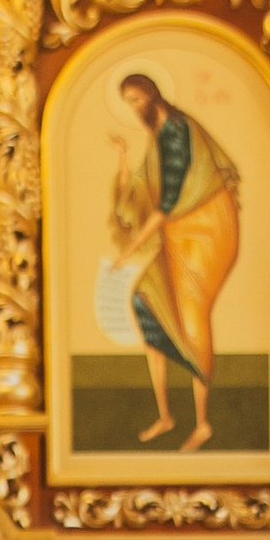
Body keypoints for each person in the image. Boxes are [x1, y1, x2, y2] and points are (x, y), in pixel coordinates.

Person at [110, 72, 241, 451]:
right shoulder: (158, 137)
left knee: (190, 315)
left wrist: (130, 249)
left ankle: (202, 423)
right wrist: (121, 155)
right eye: (128, 103)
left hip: (205, 226)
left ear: (152, 96)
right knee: (146, 301)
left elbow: (166, 203)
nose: (135, 109)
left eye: (137, 100)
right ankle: (166, 416)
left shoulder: (177, 132)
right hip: (178, 229)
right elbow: (141, 190)